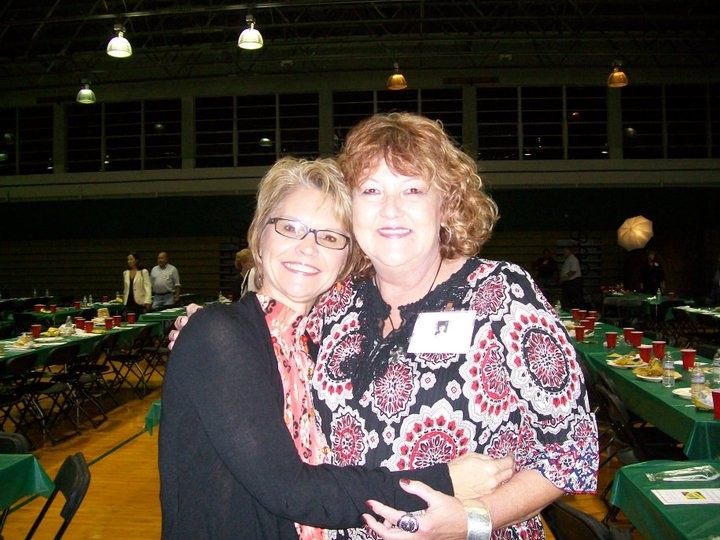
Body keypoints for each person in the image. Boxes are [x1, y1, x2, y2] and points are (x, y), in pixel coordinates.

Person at [160, 157, 514, 539]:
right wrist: (444, 481)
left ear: (347, 258)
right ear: (259, 236)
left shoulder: (317, 346)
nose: (307, 248)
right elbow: (290, 490)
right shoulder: (220, 334)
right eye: (289, 227)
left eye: (329, 237)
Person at [305, 112, 598, 538]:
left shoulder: (502, 294)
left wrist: (472, 519)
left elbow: (571, 450)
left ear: (447, 204)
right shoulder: (331, 304)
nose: (390, 209)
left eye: (412, 189)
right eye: (370, 190)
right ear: (349, 208)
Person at [559, 245, 584, 310]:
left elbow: (573, 271)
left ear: (569, 251)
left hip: (573, 282)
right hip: (568, 282)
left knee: (575, 298)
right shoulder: (568, 259)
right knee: (568, 298)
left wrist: (564, 277)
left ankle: (577, 310)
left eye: (565, 251)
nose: (564, 252)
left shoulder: (573, 259)